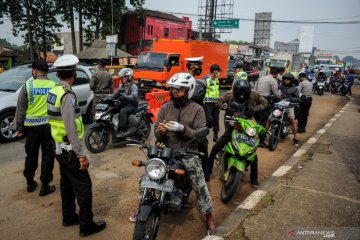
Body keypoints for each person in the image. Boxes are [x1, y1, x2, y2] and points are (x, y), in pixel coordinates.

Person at [47, 54, 106, 237]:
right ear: (73, 74)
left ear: (58, 74)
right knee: (84, 187)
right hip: (69, 149)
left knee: (66, 184)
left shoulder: (54, 91)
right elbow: (70, 127)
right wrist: (81, 154)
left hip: (58, 147)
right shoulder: (67, 95)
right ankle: (86, 225)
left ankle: (69, 216)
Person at [154, 72, 215, 233]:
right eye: (173, 89)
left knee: (200, 185)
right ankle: (145, 206)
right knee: (151, 175)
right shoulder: (166, 107)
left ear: (189, 90)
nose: (174, 92)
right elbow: (156, 130)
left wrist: (182, 129)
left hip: (189, 152)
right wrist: (160, 131)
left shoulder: (197, 109)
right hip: (168, 151)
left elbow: (199, 136)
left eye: (179, 89)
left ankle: (209, 216)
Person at [208, 80, 268, 188]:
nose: (242, 96)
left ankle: (254, 179)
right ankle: (207, 172)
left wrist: (254, 109)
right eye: (239, 94)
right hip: (232, 123)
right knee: (215, 148)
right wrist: (226, 108)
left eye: (244, 94)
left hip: (248, 125)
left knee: (253, 154)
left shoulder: (254, 94)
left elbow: (265, 103)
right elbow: (218, 101)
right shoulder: (229, 94)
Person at [14, 59, 56, 196]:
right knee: (48, 155)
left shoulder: (27, 85)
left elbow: (21, 108)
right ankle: (45, 185)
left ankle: (30, 183)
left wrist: (19, 127)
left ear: (35, 71)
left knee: (31, 154)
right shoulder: (53, 85)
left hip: (31, 127)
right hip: (48, 126)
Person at [185, 56, 213, 182]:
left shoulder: (196, 81)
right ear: (191, 66)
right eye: (197, 66)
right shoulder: (187, 80)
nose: (199, 68)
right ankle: (205, 176)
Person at [254, 67, 280, 147]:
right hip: (264, 100)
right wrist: (280, 96)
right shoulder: (273, 80)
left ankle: (256, 135)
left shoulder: (261, 78)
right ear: (275, 75)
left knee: (257, 118)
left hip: (256, 99)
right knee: (264, 120)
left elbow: (255, 89)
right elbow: (276, 93)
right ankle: (261, 140)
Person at [113, 68, 139, 137]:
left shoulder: (133, 86)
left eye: (125, 77)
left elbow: (134, 96)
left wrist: (126, 97)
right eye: (122, 77)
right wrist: (108, 97)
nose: (123, 78)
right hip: (125, 104)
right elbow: (116, 93)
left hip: (133, 105)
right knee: (113, 108)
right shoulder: (122, 85)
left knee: (123, 111)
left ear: (129, 77)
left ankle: (122, 130)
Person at [278, 73, 300, 146]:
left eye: (288, 79)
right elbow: (276, 94)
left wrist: (290, 99)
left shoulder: (295, 89)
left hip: (289, 106)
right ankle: (264, 135)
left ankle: (295, 138)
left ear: (291, 80)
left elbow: (297, 98)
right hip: (280, 106)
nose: (286, 81)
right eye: (285, 79)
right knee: (270, 118)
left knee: (292, 121)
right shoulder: (280, 87)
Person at [204, 64, 221, 142]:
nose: (219, 73)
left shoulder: (217, 80)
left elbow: (217, 91)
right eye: (218, 71)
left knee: (216, 120)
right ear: (214, 71)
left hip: (215, 103)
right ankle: (203, 136)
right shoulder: (206, 79)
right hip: (207, 103)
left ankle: (215, 136)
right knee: (207, 120)